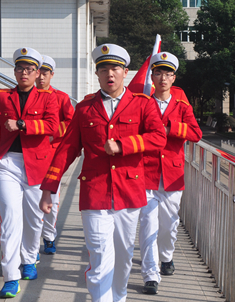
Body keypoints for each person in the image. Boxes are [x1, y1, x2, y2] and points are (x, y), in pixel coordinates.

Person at [39, 44, 167, 302]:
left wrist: (123, 146)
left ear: (125, 72)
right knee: (99, 257)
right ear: (97, 74)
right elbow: (67, 149)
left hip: (129, 194)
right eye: (104, 68)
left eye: (115, 68)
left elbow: (159, 137)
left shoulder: (141, 105)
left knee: (123, 260)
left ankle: (117, 298)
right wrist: (48, 187)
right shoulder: (85, 109)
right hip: (95, 193)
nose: (110, 73)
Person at [0, 47, 59, 298]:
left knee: (33, 218)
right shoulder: (2, 97)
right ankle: (11, 276)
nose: (24, 73)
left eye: (29, 69)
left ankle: (29, 259)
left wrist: (23, 124)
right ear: (14, 71)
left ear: (37, 73)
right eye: (19, 68)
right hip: (8, 164)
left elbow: (52, 126)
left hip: (38, 164)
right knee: (9, 220)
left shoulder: (49, 98)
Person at [138, 52, 203, 295]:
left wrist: (170, 127)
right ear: (152, 76)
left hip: (172, 175)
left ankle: (166, 257)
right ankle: (150, 274)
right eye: (158, 72)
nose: (163, 78)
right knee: (147, 224)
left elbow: (196, 134)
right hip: (146, 173)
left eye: (168, 73)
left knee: (168, 225)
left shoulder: (182, 106)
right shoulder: (142, 103)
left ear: (173, 78)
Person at [35, 55, 74, 255]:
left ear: (52, 74)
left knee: (53, 199)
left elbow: (70, 123)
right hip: (31, 155)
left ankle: (49, 237)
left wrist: (48, 131)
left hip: (52, 154)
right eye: (38, 72)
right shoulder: (27, 94)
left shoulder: (61, 97)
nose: (41, 77)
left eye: (45, 73)